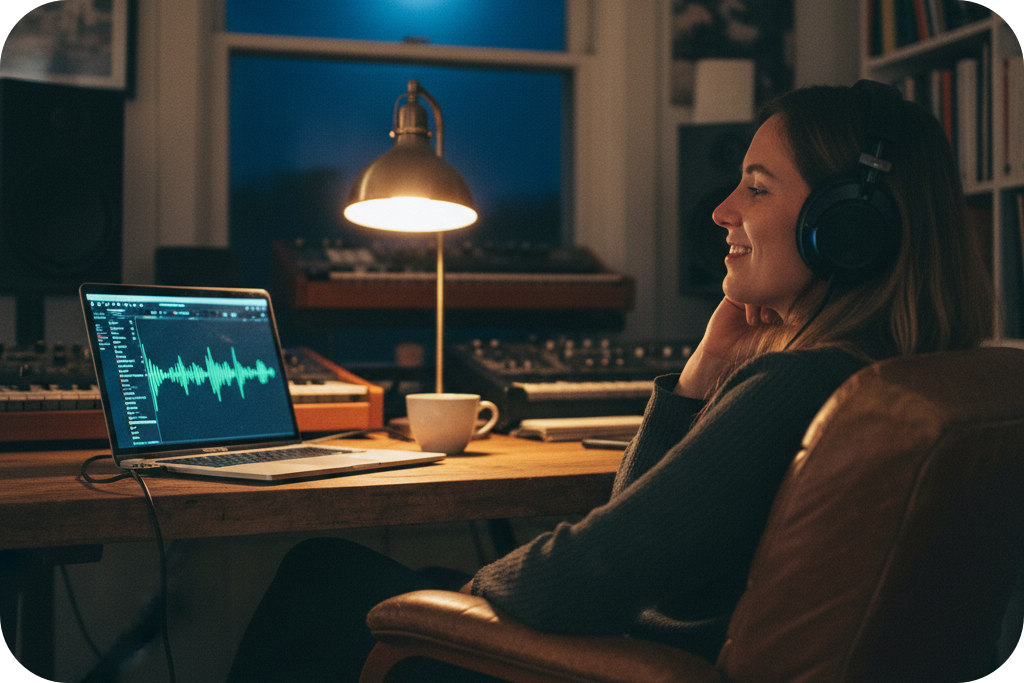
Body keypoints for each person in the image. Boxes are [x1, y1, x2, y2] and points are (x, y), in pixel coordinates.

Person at [225, 82, 993, 683]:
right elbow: (632, 534)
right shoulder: (901, 379)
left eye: (757, 187)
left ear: (849, 228)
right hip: (652, 647)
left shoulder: (795, 386)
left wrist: (474, 589)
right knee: (394, 578)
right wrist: (697, 376)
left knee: (318, 571)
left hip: (619, 665)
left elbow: (572, 582)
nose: (724, 209)